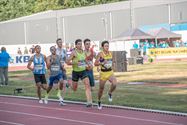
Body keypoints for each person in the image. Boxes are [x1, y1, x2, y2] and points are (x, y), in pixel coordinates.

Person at [66, 39, 93, 107]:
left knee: (87, 84)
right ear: (76, 45)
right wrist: (75, 62)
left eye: (81, 44)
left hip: (83, 71)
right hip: (75, 72)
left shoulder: (84, 52)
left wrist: (89, 65)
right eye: (79, 44)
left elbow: (85, 60)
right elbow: (67, 62)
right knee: (74, 89)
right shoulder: (73, 53)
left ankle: (89, 101)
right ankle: (69, 82)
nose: (80, 45)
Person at [94, 41, 117, 110]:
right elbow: (95, 63)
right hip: (103, 73)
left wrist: (112, 65)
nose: (107, 47)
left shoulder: (110, 53)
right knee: (101, 89)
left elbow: (112, 61)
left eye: (108, 46)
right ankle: (99, 101)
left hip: (110, 72)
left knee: (114, 84)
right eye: (105, 46)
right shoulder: (100, 54)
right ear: (102, 47)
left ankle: (109, 93)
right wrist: (101, 64)